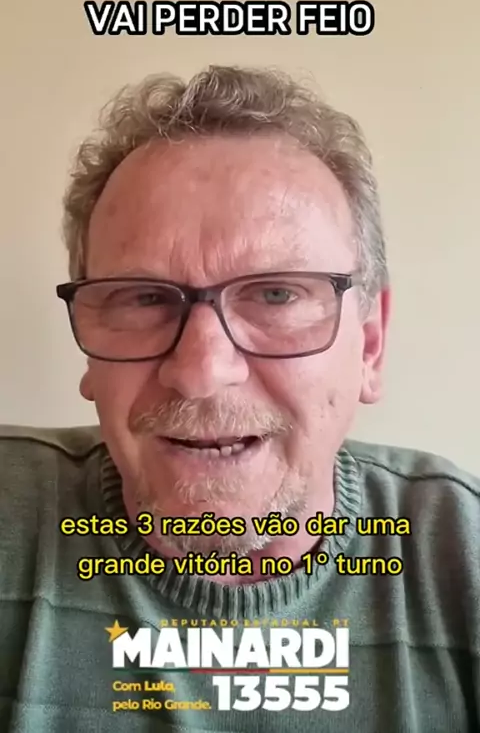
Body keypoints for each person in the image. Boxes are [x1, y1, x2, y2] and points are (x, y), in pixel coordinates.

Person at [0, 65, 478, 732]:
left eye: (277, 294)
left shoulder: (460, 553)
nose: (201, 371)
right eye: (143, 297)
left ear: (369, 344)